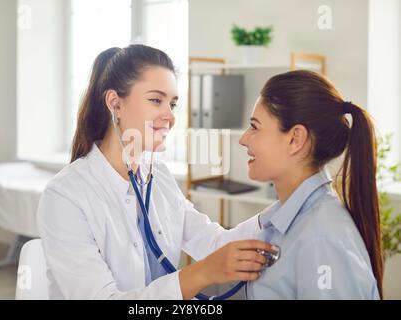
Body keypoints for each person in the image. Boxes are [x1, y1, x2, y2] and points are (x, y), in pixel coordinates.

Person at [37, 44, 276, 300]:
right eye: (155, 100)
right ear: (115, 104)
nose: (170, 116)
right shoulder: (65, 196)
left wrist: (281, 208)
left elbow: (214, 242)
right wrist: (201, 274)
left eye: (172, 104)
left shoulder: (158, 177)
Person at [239, 70, 383, 299]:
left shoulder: (321, 237)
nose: (243, 138)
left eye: (255, 126)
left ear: (295, 139)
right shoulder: (290, 219)